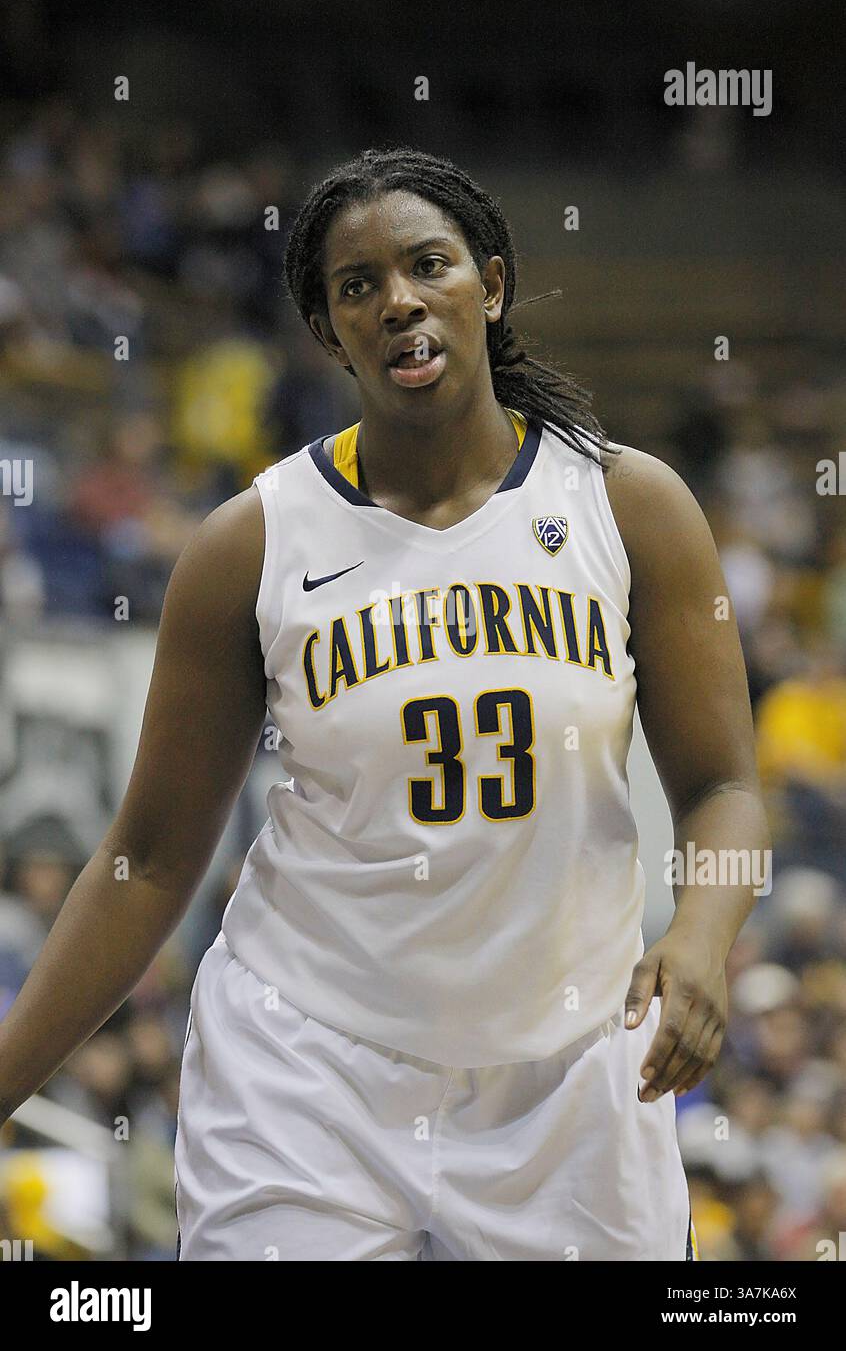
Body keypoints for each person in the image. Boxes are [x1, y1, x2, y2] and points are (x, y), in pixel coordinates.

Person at [0, 147, 770, 1261]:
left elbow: (727, 787)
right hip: (308, 1069)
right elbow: (151, 859)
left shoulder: (627, 505)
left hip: (570, 1083)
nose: (398, 300)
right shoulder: (250, 546)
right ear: (328, 330)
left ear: (489, 286)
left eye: (427, 266)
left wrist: (701, 937)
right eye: (357, 286)